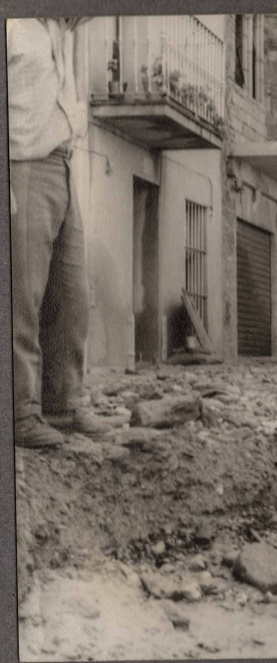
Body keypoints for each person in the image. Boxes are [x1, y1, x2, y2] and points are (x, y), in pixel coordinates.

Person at [10, 17, 112, 448]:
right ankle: (18, 411)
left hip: (65, 162)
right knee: (21, 297)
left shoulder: (66, 30)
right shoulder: (13, 25)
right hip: (23, 164)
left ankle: (62, 403)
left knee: (70, 296)